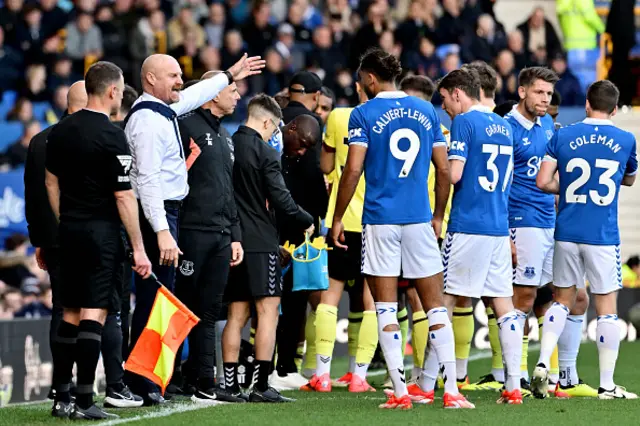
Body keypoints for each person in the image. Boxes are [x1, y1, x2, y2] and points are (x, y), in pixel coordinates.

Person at [331, 48, 472, 409]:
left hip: (380, 221)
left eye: (362, 81)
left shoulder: (363, 113)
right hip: (419, 219)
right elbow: (443, 170)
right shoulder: (427, 111)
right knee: (435, 306)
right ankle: (452, 392)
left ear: (372, 79)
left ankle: (400, 392)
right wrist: (438, 214)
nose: (361, 86)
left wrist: (336, 217)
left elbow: (352, 170)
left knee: (386, 309)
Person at [123, 53, 265, 404]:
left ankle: (151, 377)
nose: (179, 81)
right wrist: (161, 230)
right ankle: (140, 379)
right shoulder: (147, 120)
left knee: (163, 301)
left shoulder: (165, 111)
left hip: (172, 215)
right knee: (154, 301)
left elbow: (195, 95)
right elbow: (148, 180)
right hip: (162, 216)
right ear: (150, 79)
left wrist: (230, 73)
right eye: (172, 75)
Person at [45, 61, 153, 420]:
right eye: (121, 90)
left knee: (70, 312)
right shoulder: (111, 135)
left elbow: (51, 183)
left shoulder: (59, 132)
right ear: (111, 91)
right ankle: (86, 400)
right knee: (94, 311)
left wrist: (66, 220)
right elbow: (124, 196)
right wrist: (138, 247)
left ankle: (62, 397)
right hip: (101, 233)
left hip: (69, 230)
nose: (120, 96)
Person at [533, 80, 638, 400]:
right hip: (602, 236)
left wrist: (564, 189)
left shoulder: (562, 135)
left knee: (562, 300)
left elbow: (542, 182)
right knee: (606, 309)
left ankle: (542, 365)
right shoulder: (625, 138)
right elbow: (630, 178)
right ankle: (606, 385)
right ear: (616, 110)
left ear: (587, 104)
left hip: (566, 231)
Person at [436, 67, 523, 405]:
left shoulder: (465, 122)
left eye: (444, 99)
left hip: (468, 225)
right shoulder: (504, 125)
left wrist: (439, 154)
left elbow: (454, 173)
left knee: (442, 302)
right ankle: (513, 386)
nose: (444, 107)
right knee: (504, 305)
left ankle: (448, 389)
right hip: (498, 228)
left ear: (458, 92)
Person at [222, 95, 314, 403]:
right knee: (268, 312)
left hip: (232, 240)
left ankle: (231, 384)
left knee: (236, 315)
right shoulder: (265, 152)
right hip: (260, 241)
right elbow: (281, 199)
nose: (275, 132)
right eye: (274, 126)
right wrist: (306, 219)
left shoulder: (228, 145)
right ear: (266, 121)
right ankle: (261, 385)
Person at [301, 81, 377, 394]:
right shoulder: (398, 118)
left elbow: (326, 165)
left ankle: (322, 374)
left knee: (330, 295)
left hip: (343, 220)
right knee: (372, 300)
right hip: (378, 221)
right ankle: (359, 376)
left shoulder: (339, 117)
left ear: (360, 85)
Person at [174, 71, 244, 403]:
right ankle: (167, 377)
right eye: (232, 89)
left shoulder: (226, 136)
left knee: (210, 309)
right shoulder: (184, 126)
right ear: (213, 94)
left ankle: (201, 378)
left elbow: (229, 190)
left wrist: (235, 234)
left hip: (219, 233)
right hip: (190, 231)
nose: (238, 95)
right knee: (179, 306)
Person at [503, 66, 558, 393]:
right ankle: (516, 376)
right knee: (522, 298)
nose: (545, 99)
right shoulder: (507, 128)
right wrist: (506, 232)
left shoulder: (548, 124)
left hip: (549, 222)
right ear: (522, 91)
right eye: (539, 92)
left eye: (548, 94)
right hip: (522, 221)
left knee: (555, 297)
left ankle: (552, 375)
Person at [273, 71, 328, 390]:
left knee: (267, 295)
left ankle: (259, 361)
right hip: (300, 221)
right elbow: (312, 173)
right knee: (296, 294)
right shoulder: (310, 124)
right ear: (316, 95)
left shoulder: (274, 115)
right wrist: (317, 214)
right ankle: (284, 365)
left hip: (270, 217)